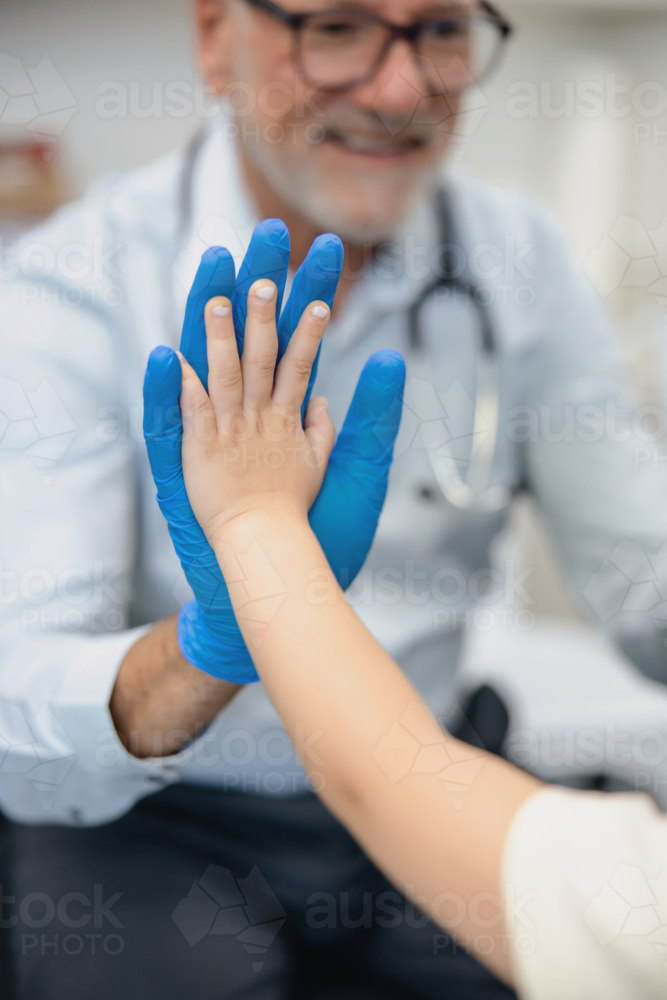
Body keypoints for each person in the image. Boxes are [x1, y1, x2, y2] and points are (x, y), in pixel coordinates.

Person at [2, 0, 667, 996]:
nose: (400, 88)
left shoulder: (519, 265)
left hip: (426, 777)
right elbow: (21, 711)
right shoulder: (71, 283)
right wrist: (204, 651)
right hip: (167, 815)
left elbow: (643, 580)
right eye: (338, 26)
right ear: (214, 36)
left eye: (440, 29)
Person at [167, 272, 667, 1000]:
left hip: (417, 791)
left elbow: (383, 775)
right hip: (166, 820)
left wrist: (256, 527)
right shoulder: (87, 260)